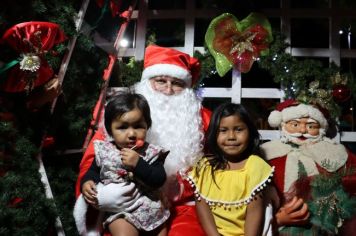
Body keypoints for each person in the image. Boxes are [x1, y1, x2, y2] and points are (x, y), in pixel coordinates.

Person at [75, 45, 211, 235]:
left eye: (177, 83)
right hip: (121, 206)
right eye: (161, 81)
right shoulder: (120, 118)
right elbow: (92, 164)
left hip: (178, 206)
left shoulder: (202, 119)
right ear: (148, 82)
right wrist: (93, 187)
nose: (169, 89)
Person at [73, 92, 170, 236]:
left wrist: (139, 164)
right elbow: (93, 171)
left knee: (160, 230)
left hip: (149, 207)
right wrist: (87, 182)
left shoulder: (152, 152)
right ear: (110, 130)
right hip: (120, 212)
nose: (131, 133)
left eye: (138, 126)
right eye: (123, 127)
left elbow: (159, 179)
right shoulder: (104, 150)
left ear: (147, 126)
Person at [260, 99, 356, 235]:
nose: (303, 130)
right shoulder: (267, 153)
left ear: (321, 128)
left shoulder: (335, 152)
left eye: (311, 126)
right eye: (295, 124)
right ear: (283, 124)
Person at [185, 102, 275, 236]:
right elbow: (202, 207)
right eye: (223, 130)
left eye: (239, 129)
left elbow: (254, 213)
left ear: (250, 132)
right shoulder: (204, 167)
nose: (231, 137)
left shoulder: (255, 166)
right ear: (214, 134)